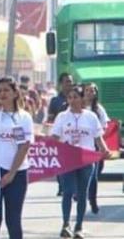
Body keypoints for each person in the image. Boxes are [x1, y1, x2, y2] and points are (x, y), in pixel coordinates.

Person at [51, 85, 111, 239]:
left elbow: (98, 137)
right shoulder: (62, 117)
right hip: (67, 159)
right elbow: (55, 138)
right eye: (69, 97)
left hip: (86, 159)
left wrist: (104, 150)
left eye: (75, 97)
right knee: (68, 192)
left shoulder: (90, 117)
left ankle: (79, 226)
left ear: (82, 98)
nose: (72, 100)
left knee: (82, 193)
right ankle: (66, 224)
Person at [0, 77, 33, 239]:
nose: (2, 94)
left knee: (13, 220)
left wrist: (11, 173)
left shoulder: (23, 117)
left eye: (6, 90)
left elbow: (24, 146)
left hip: (17, 173)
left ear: (15, 93)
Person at [82, 83, 109, 215]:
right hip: (79, 146)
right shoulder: (77, 106)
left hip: (94, 146)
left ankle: (93, 200)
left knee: (93, 176)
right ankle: (80, 194)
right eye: (87, 90)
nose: (89, 93)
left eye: (92, 91)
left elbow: (104, 126)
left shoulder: (98, 109)